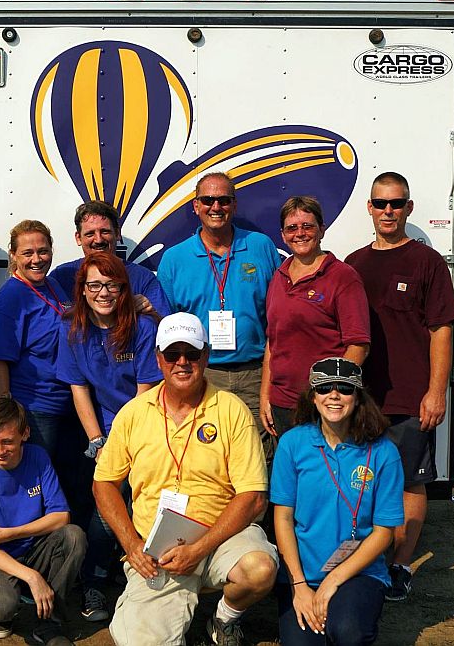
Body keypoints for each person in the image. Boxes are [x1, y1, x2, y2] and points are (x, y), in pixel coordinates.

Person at [94, 312, 278, 646]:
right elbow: (103, 483)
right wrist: (132, 544)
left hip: (223, 535)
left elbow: (253, 497)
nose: (183, 362)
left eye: (192, 353)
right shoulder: (133, 413)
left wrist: (199, 549)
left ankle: (224, 619)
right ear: (158, 358)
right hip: (157, 550)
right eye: (172, 354)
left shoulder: (232, 409)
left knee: (259, 568)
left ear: (206, 355)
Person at [345, 171, 454, 602]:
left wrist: (437, 391)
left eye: (397, 204)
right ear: (370, 208)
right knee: (362, 481)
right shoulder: (354, 264)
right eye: (381, 203)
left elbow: (442, 331)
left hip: (411, 397)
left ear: (408, 208)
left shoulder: (426, 262)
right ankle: (364, 558)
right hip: (361, 398)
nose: (388, 211)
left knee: (411, 483)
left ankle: (399, 565)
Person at [56, 251, 162, 621]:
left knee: (143, 506)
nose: (103, 292)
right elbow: (79, 388)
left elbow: (145, 392)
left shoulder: (144, 329)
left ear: (123, 288)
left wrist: (120, 444)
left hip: (144, 425)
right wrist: (98, 441)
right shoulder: (72, 330)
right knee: (105, 509)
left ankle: (144, 579)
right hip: (101, 431)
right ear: (82, 291)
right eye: (95, 285)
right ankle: (94, 584)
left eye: (111, 285)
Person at [271, 358, 404, 646]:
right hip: (302, 574)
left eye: (344, 388)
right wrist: (299, 586)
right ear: (313, 396)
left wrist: (333, 581)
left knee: (347, 631)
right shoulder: (292, 443)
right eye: (324, 388)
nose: (334, 395)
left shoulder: (383, 452)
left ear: (357, 398)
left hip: (359, 573)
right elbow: (282, 518)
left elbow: (384, 532)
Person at [156, 172, 281, 451]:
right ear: (196, 206)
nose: (216, 207)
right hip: (201, 374)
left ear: (234, 205)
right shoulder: (174, 259)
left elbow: (278, 317)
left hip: (255, 375)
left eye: (224, 200)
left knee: (260, 455)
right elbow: (167, 325)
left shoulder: (261, 247)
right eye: (208, 199)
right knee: (204, 454)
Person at [0, 396, 85, 645]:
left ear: (25, 433)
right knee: (3, 605)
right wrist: (32, 576)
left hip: (30, 548)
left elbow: (62, 517)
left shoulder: (38, 457)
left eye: (7, 442)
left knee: (74, 536)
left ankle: (50, 623)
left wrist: (8, 533)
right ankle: (2, 612)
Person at [261, 196, 371, 439]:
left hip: (324, 406)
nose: (300, 233)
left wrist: (330, 394)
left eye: (307, 226)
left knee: (326, 475)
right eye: (292, 228)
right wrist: (265, 396)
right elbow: (273, 341)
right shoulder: (279, 276)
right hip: (282, 405)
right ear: (283, 235)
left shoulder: (343, 277)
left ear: (322, 230)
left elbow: (358, 346)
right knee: (291, 475)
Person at [0, 220, 72, 460]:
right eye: (27, 253)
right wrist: (8, 418)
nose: (37, 259)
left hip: (62, 405)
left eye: (43, 251)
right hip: (33, 411)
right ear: (13, 255)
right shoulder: (9, 302)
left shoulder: (51, 285)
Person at [51, 200, 171, 317]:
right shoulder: (61, 276)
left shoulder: (143, 278)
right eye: (90, 234)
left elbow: (165, 325)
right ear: (78, 238)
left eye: (105, 232)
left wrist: (151, 312)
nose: (98, 240)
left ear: (117, 233)